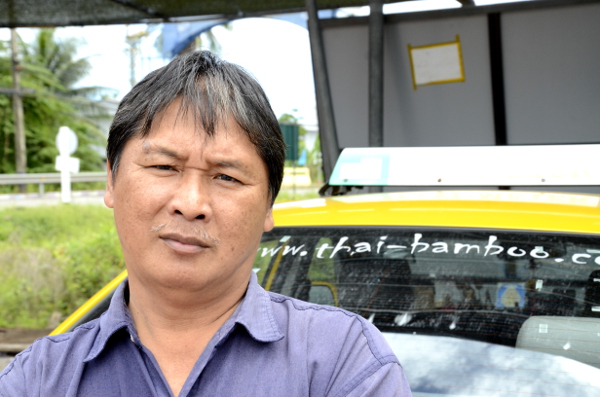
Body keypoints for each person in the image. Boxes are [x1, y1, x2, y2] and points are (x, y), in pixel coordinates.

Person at [0, 51, 412, 397]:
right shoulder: (38, 378)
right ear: (111, 179)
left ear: (269, 203)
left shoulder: (343, 362)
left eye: (226, 176)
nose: (191, 204)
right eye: (164, 166)